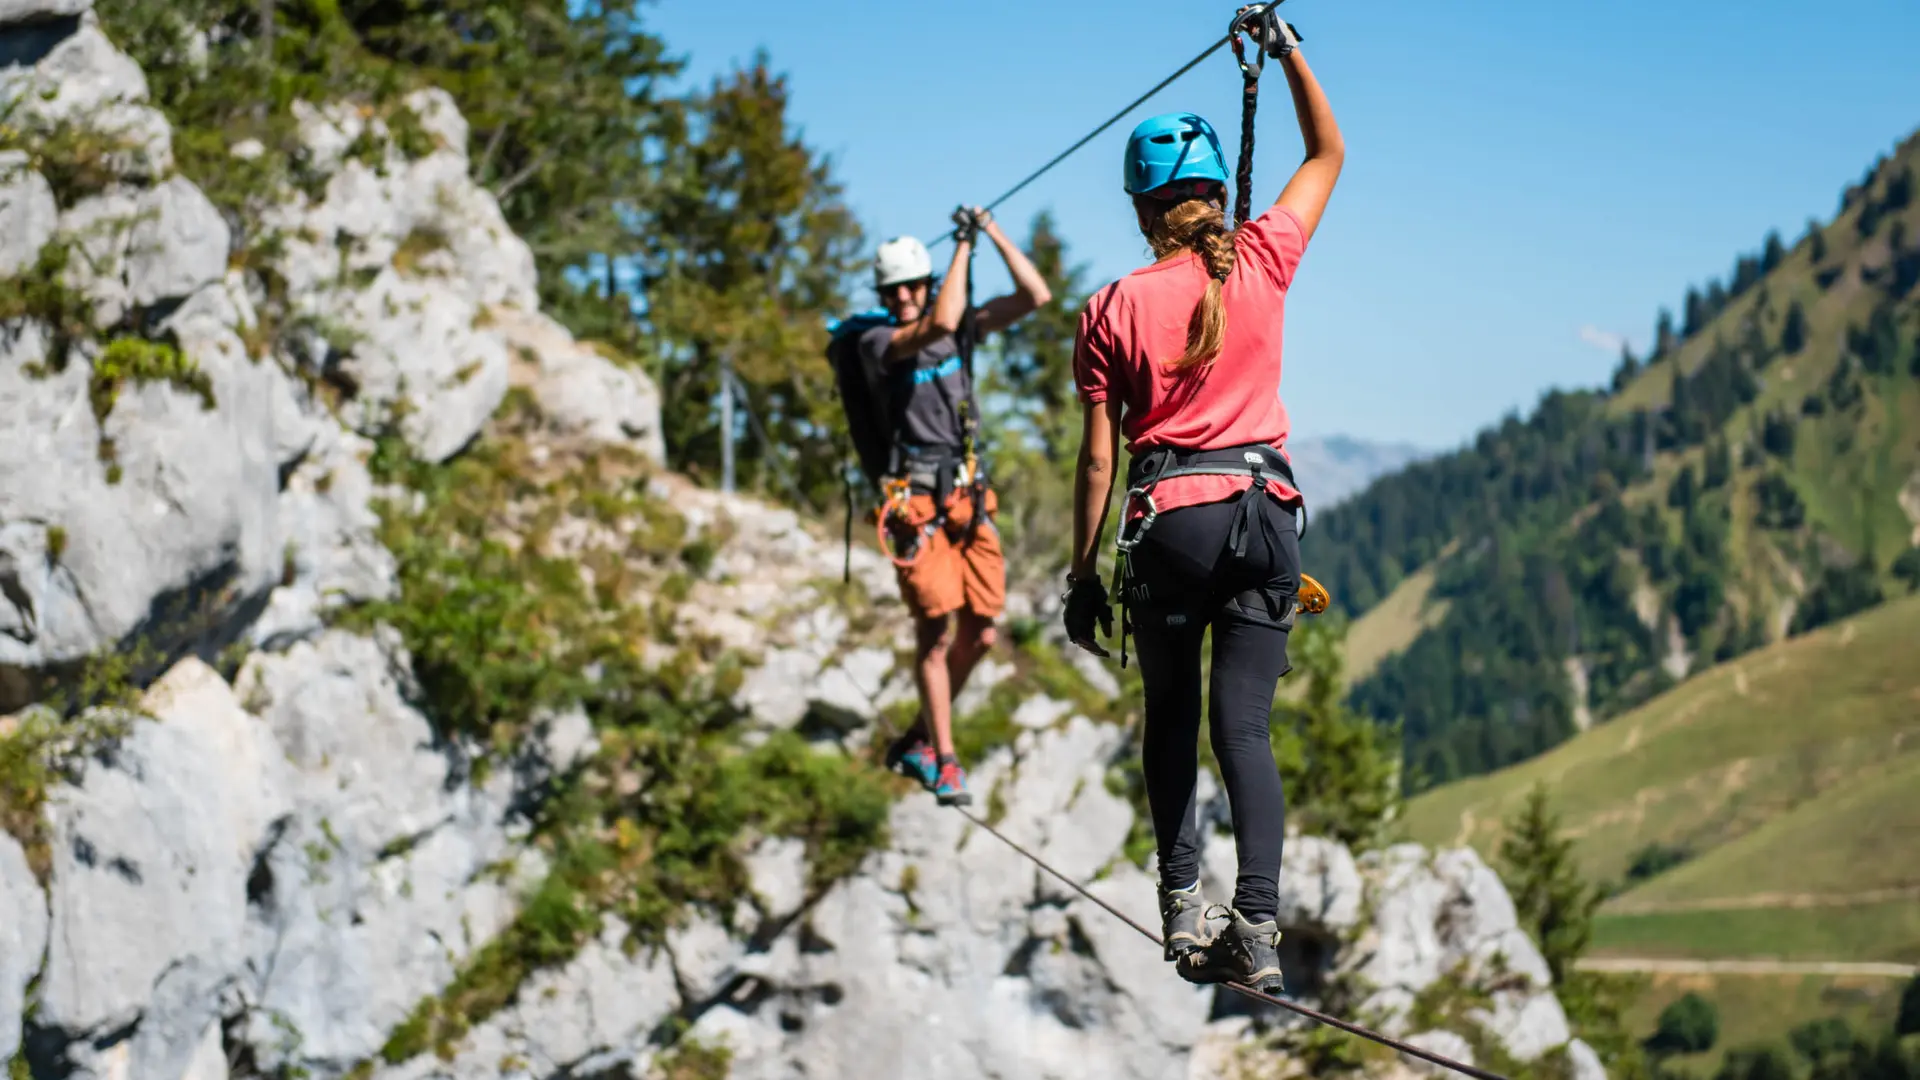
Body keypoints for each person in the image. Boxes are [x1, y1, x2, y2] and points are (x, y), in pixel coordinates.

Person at [1060, 12, 1342, 994]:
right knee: (1248, 733)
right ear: (1217, 195)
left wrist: (1080, 574)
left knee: (1171, 720)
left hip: (1171, 524)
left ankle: (1186, 912)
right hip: (1266, 516)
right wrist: (1288, 47)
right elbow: (1329, 150)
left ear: (1144, 210)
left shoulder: (1110, 308)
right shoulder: (1263, 259)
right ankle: (1258, 928)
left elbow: (1099, 463)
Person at [865, 207, 1053, 807]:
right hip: (916, 505)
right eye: (893, 289)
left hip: (968, 496)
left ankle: (922, 736)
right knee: (935, 634)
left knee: (985, 632)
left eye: (911, 286)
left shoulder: (962, 329)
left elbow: (1035, 294)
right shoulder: (883, 343)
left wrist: (993, 230)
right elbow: (942, 317)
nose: (903, 297)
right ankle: (945, 760)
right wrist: (963, 248)